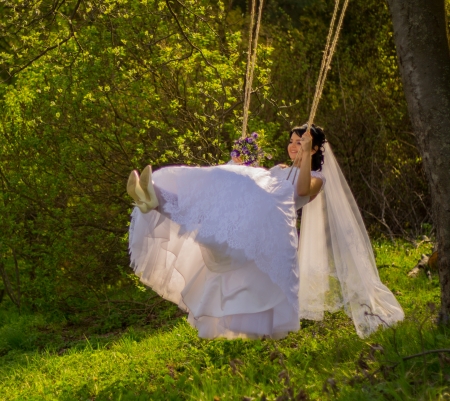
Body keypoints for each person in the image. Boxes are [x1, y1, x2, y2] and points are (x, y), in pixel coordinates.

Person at [127, 124, 404, 339]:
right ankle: (156, 198)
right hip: (253, 215)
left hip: (270, 224)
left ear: (316, 148)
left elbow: (302, 191)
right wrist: (241, 161)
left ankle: (158, 198)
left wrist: (305, 155)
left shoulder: (317, 178)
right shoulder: (279, 168)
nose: (294, 146)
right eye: (293, 141)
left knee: (224, 195)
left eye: (301, 142)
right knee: (215, 194)